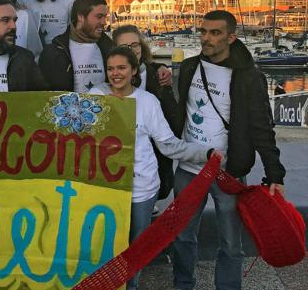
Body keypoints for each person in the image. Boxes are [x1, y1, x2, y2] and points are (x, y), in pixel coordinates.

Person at [89, 46, 221, 290]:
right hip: (106, 187)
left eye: (121, 68)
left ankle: (132, 287)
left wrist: (205, 153)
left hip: (141, 189)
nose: (115, 74)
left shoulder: (148, 102)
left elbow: (169, 146)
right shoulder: (96, 97)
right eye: (110, 69)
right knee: (104, 246)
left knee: (137, 249)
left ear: (133, 72)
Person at [172, 10, 286, 290]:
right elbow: (178, 113)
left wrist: (275, 174)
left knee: (231, 243)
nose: (206, 38)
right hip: (189, 168)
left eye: (215, 33)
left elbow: (261, 128)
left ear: (231, 37)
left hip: (228, 174)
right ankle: (183, 284)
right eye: (203, 31)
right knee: (182, 235)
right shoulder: (188, 68)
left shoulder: (248, 77)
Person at [112, 24, 179, 200]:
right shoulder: (109, 78)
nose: (131, 50)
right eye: (124, 47)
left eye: (135, 45)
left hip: (152, 156)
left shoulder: (156, 75)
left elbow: (170, 115)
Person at [38, 0, 114, 92]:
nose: (104, 22)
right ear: (80, 17)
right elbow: (43, 92)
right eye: (99, 17)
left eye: (105, 17)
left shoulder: (110, 48)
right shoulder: (53, 52)